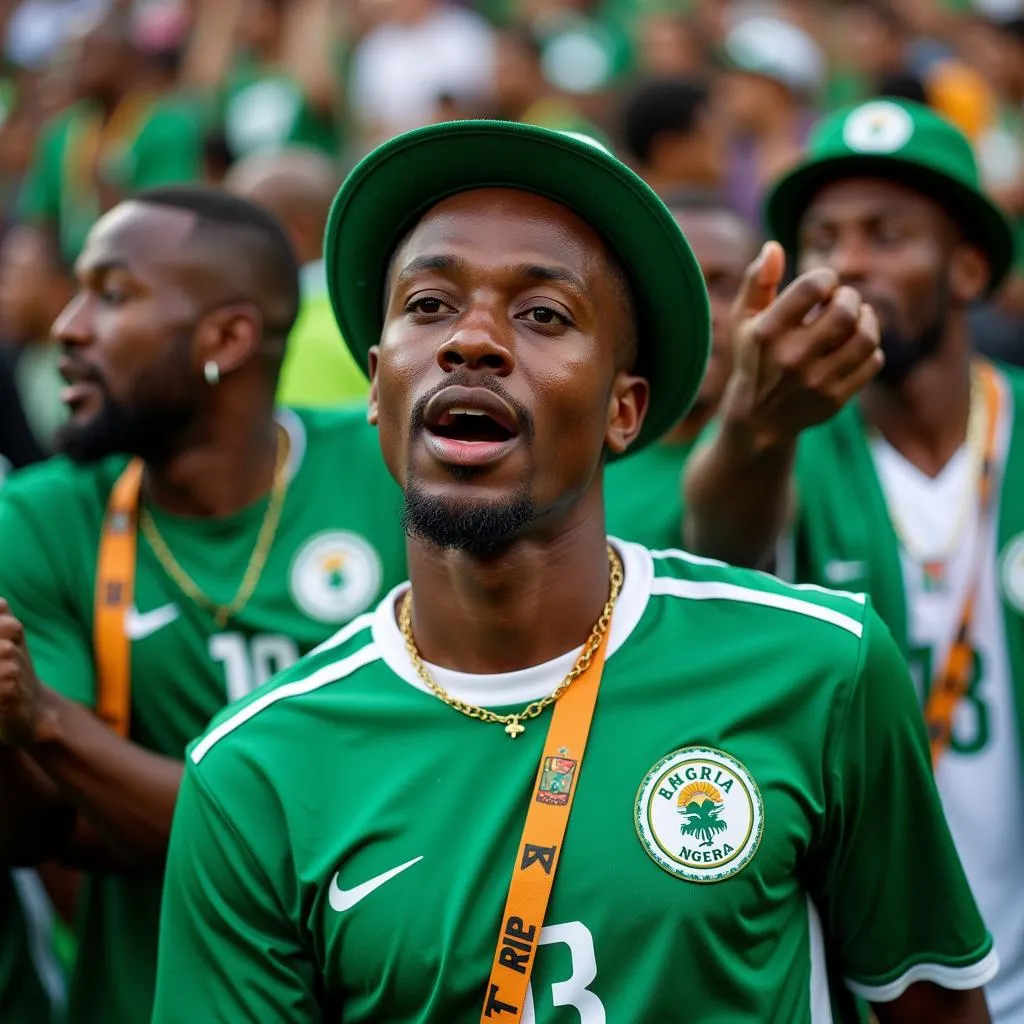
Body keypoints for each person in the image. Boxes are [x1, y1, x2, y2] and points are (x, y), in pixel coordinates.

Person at [153, 121, 993, 1023]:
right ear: (373, 383)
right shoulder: (253, 770)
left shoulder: (821, 668)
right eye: (429, 305)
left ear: (623, 411)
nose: (472, 341)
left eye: (542, 314)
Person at [0, 185, 406, 1024]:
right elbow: (47, 827)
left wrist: (45, 719)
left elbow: (416, 820)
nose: (70, 326)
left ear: (227, 338)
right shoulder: (42, 517)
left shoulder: (392, 474)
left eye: (112, 295)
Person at [683, 98, 1022, 1022]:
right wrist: (755, 424)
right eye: (824, 237)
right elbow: (721, 539)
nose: (850, 263)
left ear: (969, 267)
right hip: (876, 983)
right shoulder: (789, 446)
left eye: (888, 233)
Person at [605, 192, 758, 549]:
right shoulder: (581, 456)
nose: (702, 312)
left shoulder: (801, 446)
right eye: (677, 289)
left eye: (724, 288)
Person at [224, 145, 370, 408]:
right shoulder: (376, 314)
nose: (226, 247)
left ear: (296, 233)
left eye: (240, 229)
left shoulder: (267, 333)